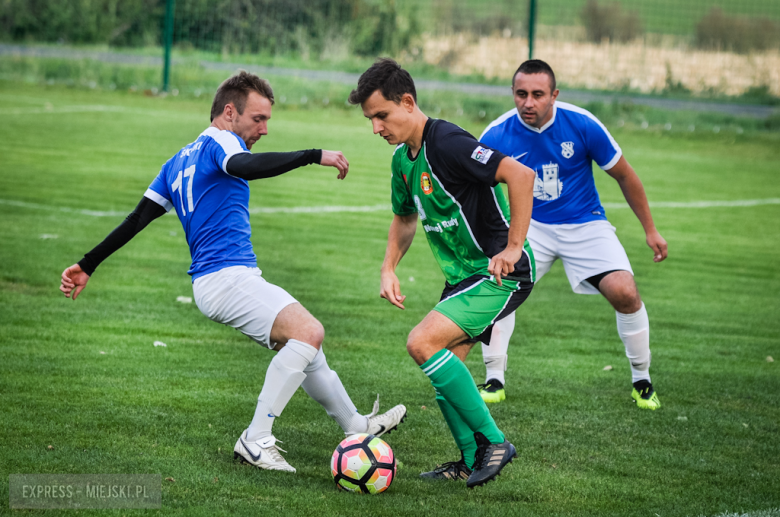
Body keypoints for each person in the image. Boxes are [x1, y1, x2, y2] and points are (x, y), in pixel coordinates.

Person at [59, 71, 407, 474]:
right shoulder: (221, 142)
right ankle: (255, 439)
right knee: (309, 332)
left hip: (220, 282)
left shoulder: (177, 161)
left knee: (308, 351)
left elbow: (136, 218)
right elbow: (244, 165)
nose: (264, 128)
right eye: (258, 119)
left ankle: (355, 425)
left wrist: (87, 264)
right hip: (226, 278)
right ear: (229, 112)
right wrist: (313, 154)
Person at [349, 58, 537, 488]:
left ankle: (494, 443)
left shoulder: (448, 141)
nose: (376, 127)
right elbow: (404, 219)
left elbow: (520, 175)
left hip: (500, 273)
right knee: (444, 376)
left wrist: (511, 247)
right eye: (370, 119)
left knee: (422, 343)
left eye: (382, 115)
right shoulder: (402, 161)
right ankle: (471, 461)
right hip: (463, 279)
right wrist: (388, 268)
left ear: (408, 102)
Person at [476, 60, 668, 410]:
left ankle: (642, 380)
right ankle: (494, 378)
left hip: (585, 223)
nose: (528, 103)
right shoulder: (496, 134)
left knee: (624, 291)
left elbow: (625, 175)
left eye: (537, 95)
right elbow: (473, 188)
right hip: (529, 226)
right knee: (499, 285)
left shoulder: (581, 123)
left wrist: (650, 230)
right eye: (521, 94)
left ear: (554, 95)